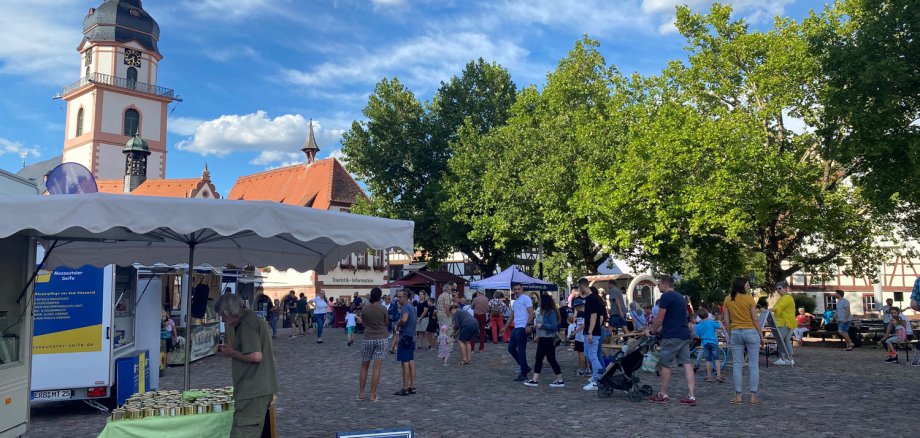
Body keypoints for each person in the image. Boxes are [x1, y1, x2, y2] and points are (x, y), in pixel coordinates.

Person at [215, 293, 278, 438]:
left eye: (222, 316)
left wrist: (232, 353)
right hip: (258, 388)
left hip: (252, 390)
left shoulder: (247, 323)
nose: (223, 319)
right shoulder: (252, 319)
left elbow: (256, 356)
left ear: (229, 312)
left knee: (243, 432)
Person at [644, 275, 696, 405]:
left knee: (665, 364)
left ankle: (663, 393)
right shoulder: (680, 297)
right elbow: (674, 318)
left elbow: (660, 318)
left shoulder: (666, 297)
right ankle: (691, 395)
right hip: (683, 334)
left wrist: (651, 331)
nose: (658, 286)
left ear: (665, 284)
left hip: (672, 336)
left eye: (659, 284)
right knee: (686, 363)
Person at [724, 277, 764, 406]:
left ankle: (738, 396)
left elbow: (726, 321)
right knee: (753, 365)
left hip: (736, 332)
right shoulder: (749, 299)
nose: (748, 287)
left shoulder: (727, 299)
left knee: (737, 365)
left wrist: (729, 335)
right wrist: (761, 336)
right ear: (741, 286)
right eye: (747, 285)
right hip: (750, 332)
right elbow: (755, 319)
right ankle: (753, 396)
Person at [525, 292, 565, 388]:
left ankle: (538, 380)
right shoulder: (542, 312)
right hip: (543, 338)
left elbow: (554, 326)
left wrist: (542, 325)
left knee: (546, 359)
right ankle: (537, 379)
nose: (538, 302)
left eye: (540, 300)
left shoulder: (550, 312)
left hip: (547, 339)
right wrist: (538, 334)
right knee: (543, 359)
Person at [358, 287, 388, 402]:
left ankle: (361, 393)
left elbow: (363, 323)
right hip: (381, 337)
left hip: (368, 338)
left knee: (364, 365)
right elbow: (386, 323)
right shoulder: (383, 308)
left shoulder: (365, 309)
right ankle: (372, 395)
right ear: (380, 296)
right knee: (377, 368)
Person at [501, 282, 534, 382]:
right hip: (516, 327)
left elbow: (531, 313)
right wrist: (505, 327)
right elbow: (512, 315)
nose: (517, 291)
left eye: (518, 289)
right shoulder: (515, 301)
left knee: (521, 351)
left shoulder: (526, 299)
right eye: (515, 289)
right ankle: (525, 368)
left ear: (522, 288)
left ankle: (524, 373)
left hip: (522, 327)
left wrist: (528, 325)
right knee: (511, 348)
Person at [580, 279, 606, 391]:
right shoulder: (591, 299)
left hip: (593, 333)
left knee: (593, 356)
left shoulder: (592, 299)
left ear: (583, 286)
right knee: (589, 355)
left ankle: (598, 380)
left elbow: (594, 316)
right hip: (590, 332)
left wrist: (590, 332)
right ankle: (599, 376)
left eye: (579, 287)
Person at [394, 289, 418, 396]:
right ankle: (412, 386)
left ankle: (405, 388)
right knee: (411, 361)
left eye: (399, 297)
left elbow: (404, 319)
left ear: (405, 297)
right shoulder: (412, 307)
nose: (398, 299)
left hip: (405, 337)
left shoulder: (405, 307)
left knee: (405, 363)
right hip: (412, 337)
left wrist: (398, 325)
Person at [693, 307, 724, 383]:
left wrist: (701, 337)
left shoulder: (698, 325)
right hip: (714, 342)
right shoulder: (711, 322)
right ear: (707, 314)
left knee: (708, 360)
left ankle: (709, 377)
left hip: (705, 343)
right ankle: (719, 375)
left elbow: (695, 335)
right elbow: (720, 326)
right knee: (716, 359)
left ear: (699, 317)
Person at [772, 281, 796, 365]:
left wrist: (770, 309)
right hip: (787, 322)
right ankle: (790, 359)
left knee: (780, 340)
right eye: (776, 289)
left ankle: (783, 358)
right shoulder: (784, 297)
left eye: (779, 288)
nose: (778, 290)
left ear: (785, 288)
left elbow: (779, 307)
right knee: (785, 340)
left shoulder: (786, 297)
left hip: (785, 322)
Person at [571, 298, 588, 376]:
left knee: (580, 354)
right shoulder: (586, 313)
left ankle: (581, 369)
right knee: (586, 353)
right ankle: (588, 368)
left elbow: (582, 325)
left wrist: (574, 332)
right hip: (585, 336)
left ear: (578, 307)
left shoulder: (580, 314)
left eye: (575, 307)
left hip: (580, 337)